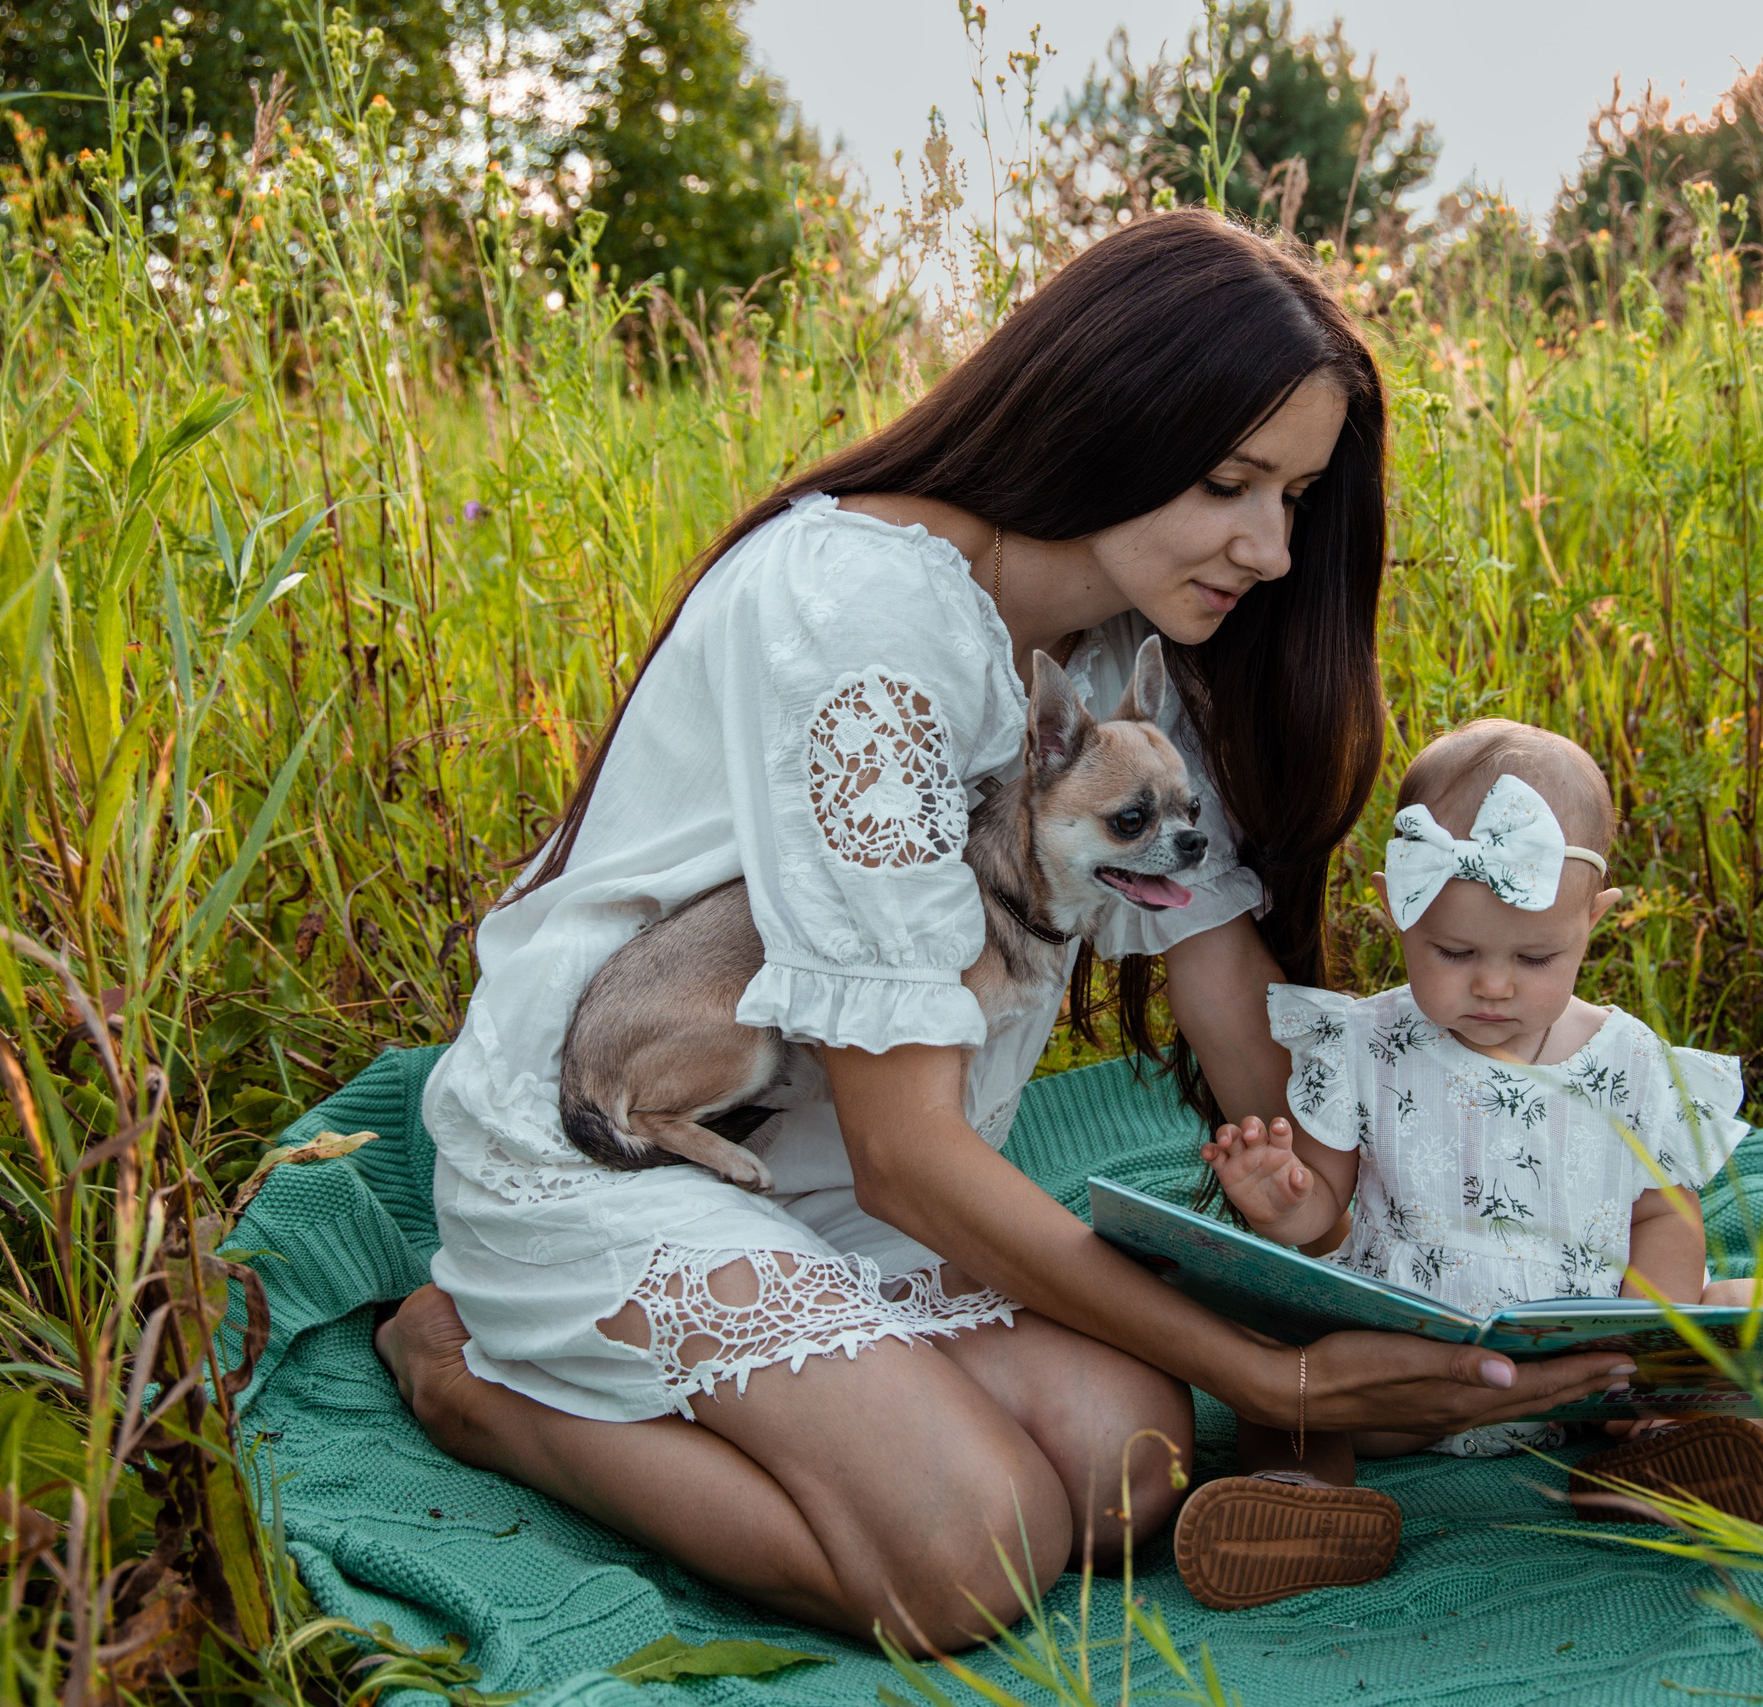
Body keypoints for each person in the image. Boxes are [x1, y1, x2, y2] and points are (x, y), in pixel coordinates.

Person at [371, 214, 1640, 1655]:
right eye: (1232, 483)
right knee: (972, 1554)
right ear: (1108, 414)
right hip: (619, 1155)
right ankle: (469, 1375)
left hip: (823, 1183)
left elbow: (1237, 1021)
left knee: (1134, 1459)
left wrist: (1472, 1239)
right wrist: (1276, 1384)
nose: (1273, 549)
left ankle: (802, 1397)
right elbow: (910, 1151)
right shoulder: (861, 624)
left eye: (1292, 495)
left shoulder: (1125, 659)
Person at [1180, 719, 1763, 1610]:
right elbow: (1323, 1213)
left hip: (1592, 1377)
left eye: (1535, 957)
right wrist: (1280, 1201)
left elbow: (1666, 1218)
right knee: (1275, 1344)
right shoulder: (1367, 1042)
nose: (1494, 986)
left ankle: (1652, 1449)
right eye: (1455, 952)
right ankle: (1309, 1503)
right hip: (1402, 1372)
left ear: (1594, 920)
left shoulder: (1629, 1062)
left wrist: (1641, 1335)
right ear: (1400, 907)